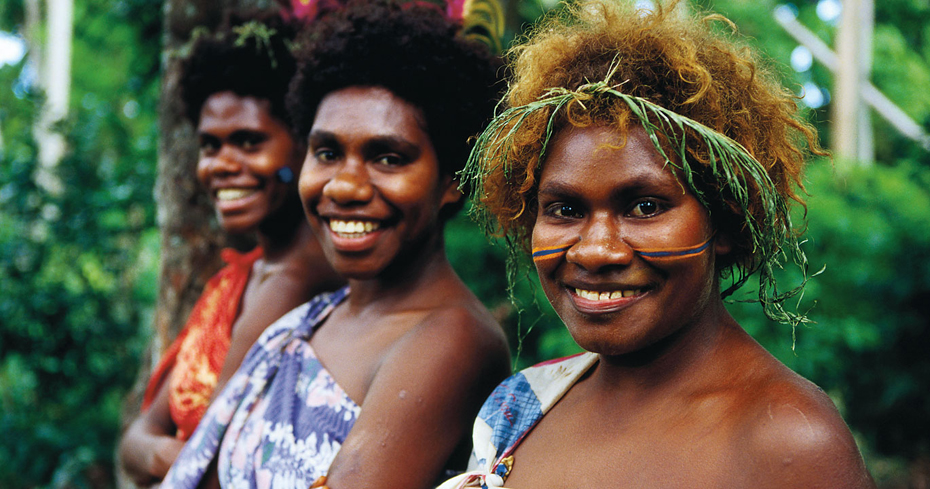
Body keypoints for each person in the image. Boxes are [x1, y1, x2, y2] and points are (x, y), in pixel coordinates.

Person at [438, 0, 876, 487]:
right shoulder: (518, 410)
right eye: (565, 209)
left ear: (726, 221)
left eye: (645, 207)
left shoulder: (786, 441)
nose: (595, 250)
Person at [161, 1, 511, 488]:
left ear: (452, 178)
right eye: (327, 152)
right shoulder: (305, 322)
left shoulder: (453, 340)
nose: (343, 187)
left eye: (387, 157)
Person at [118, 15, 343, 486]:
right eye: (210, 146)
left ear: (304, 146)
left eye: (249, 141)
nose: (222, 165)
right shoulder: (244, 275)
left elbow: (204, 458)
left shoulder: (302, 277)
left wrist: (165, 455)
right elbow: (134, 441)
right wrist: (174, 456)